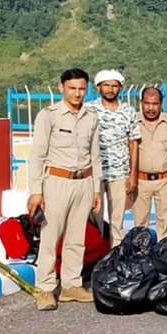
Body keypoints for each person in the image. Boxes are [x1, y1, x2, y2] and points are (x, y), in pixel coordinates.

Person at [27, 68, 102, 310]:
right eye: (72, 88)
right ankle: (46, 288)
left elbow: (95, 155)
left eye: (81, 88)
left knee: (76, 239)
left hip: (84, 182)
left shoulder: (91, 117)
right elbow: (37, 155)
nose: (77, 93)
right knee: (51, 237)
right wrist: (36, 191)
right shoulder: (49, 116)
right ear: (61, 88)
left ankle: (71, 285)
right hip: (56, 182)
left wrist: (96, 189)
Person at [89, 69, 139, 248]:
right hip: (94, 174)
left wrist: (132, 174)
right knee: (94, 218)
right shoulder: (89, 110)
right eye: (106, 85)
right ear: (98, 87)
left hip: (119, 172)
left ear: (120, 88)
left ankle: (115, 258)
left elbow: (133, 144)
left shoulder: (128, 111)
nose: (110, 89)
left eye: (114, 86)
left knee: (117, 220)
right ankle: (96, 256)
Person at [132, 86, 167, 240]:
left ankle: (163, 254)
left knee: (164, 222)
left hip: (164, 180)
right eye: (147, 103)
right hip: (140, 180)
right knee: (140, 223)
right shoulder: (133, 122)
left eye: (155, 104)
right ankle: (141, 256)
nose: (151, 108)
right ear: (141, 103)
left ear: (161, 104)